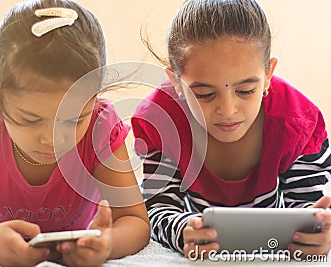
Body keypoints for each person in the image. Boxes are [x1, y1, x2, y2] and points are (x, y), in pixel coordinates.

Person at [0, 0, 150, 266]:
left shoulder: (100, 126)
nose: (52, 139)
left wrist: (108, 244)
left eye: (73, 120)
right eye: (31, 120)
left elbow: (135, 221)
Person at [131, 0, 331, 259]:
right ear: (177, 83)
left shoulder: (298, 124)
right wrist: (182, 231)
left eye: (245, 91)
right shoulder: (160, 122)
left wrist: (317, 233)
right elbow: (158, 208)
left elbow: (306, 208)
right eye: (204, 94)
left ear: (268, 73)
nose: (227, 110)